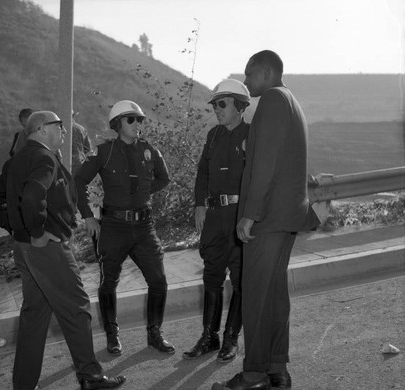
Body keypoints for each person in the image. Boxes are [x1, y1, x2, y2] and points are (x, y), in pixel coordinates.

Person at [212, 51, 320, 390]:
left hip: (268, 217)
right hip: (286, 215)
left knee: (257, 295)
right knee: (274, 295)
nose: (246, 82)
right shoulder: (292, 100)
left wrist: (249, 214)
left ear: (267, 71)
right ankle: (277, 370)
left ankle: (254, 374)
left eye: (249, 74)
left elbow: (265, 165)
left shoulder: (273, 99)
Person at [5, 110, 126, 390]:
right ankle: (91, 377)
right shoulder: (44, 157)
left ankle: (23, 384)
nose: (64, 130)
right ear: (40, 129)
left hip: (25, 248)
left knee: (35, 315)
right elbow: (34, 196)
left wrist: (20, 232)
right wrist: (36, 233)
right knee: (77, 308)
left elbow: (0, 200)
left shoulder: (18, 159)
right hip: (47, 248)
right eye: (59, 126)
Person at [74, 100, 175, 356]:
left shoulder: (149, 150)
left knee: (159, 281)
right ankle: (112, 335)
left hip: (144, 227)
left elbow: (164, 178)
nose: (137, 124)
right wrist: (88, 217)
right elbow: (78, 183)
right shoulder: (104, 152)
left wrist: (141, 191)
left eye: (139, 119)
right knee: (108, 283)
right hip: (113, 227)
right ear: (117, 124)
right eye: (131, 119)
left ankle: (155, 334)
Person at [182, 79, 250, 364]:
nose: (216, 110)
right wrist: (199, 205)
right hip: (213, 217)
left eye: (222, 104)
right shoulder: (213, 136)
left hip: (239, 217)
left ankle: (231, 338)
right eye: (214, 105)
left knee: (240, 280)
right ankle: (210, 337)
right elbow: (202, 173)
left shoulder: (253, 134)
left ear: (240, 105)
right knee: (211, 276)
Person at [71, 110, 93, 177]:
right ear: (73, 116)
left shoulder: (59, 129)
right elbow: (88, 149)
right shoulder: (81, 129)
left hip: (64, 165)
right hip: (79, 165)